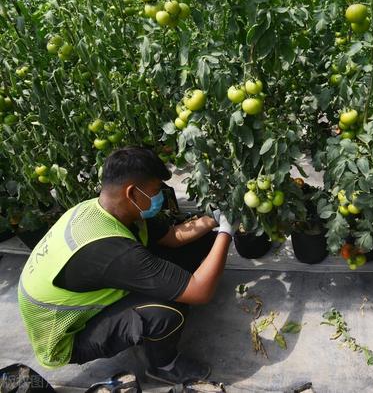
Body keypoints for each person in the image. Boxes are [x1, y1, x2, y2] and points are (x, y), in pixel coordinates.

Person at [17, 146, 237, 385]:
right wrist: (226, 231)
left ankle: (142, 325)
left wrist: (213, 219)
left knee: (201, 242)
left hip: (90, 289)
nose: (159, 197)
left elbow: (171, 236)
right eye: (155, 191)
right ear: (132, 192)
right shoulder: (110, 250)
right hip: (66, 336)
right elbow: (200, 291)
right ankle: (163, 365)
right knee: (166, 310)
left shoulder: (108, 210)